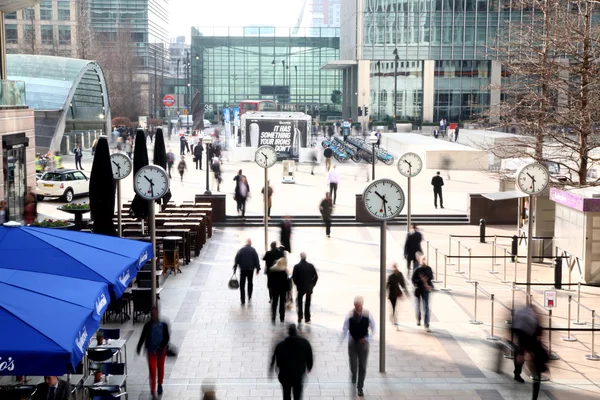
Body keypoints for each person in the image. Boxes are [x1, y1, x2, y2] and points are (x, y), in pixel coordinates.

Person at [341, 296, 376, 397]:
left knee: (362, 366)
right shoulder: (349, 314)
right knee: (353, 364)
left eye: (359, 305)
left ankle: (360, 387)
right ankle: (353, 374)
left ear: (362, 305)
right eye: (356, 305)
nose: (357, 307)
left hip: (363, 344)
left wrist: (367, 339)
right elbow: (345, 327)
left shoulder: (368, 314)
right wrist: (345, 338)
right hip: (352, 343)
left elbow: (373, 327)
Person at [512, 303, 548, 399]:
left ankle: (517, 373)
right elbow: (537, 337)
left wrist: (522, 352)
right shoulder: (535, 319)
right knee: (521, 354)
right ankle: (532, 376)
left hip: (519, 330)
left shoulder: (521, 313)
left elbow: (515, 330)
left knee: (520, 353)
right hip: (524, 334)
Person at [270, 324, 313, 400]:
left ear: (288, 332)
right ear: (296, 331)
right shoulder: (305, 343)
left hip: (285, 375)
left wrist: (273, 370)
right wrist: (309, 367)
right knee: (297, 395)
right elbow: (309, 356)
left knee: (286, 394)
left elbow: (275, 359)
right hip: (298, 374)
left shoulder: (280, 345)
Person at [137, 306, 170, 399]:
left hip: (161, 351)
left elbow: (167, 338)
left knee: (160, 368)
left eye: (155, 313)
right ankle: (153, 390)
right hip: (151, 351)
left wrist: (161, 347)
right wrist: (139, 347)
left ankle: (160, 384)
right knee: (152, 369)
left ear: (158, 313)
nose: (153, 315)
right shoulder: (148, 325)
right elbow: (143, 336)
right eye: (152, 314)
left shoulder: (164, 325)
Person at [292, 252, 318, 325]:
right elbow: (315, 276)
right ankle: (307, 318)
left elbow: (294, 278)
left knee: (299, 301)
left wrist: (297, 284)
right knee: (308, 302)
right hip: (309, 287)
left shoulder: (297, 266)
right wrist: (313, 284)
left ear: (300, 257)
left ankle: (300, 315)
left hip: (300, 287)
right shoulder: (311, 266)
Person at [233, 238, 260, 305]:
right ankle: (249, 295)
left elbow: (237, 258)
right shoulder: (253, 250)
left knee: (242, 284)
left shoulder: (241, 250)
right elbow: (256, 259)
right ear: (250, 243)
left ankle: (242, 299)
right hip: (250, 269)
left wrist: (236, 266)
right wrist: (258, 268)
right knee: (250, 282)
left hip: (243, 269)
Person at [411, 253, 434, 332]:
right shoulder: (417, 269)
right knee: (418, 306)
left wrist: (429, 285)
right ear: (421, 260)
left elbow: (431, 278)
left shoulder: (429, 269)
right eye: (423, 260)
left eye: (425, 260)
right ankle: (418, 318)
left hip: (426, 290)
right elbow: (413, 279)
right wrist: (420, 281)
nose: (424, 261)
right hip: (418, 289)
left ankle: (426, 323)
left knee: (426, 307)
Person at [269, 255, 291, 323]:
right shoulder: (284, 272)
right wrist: (288, 291)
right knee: (282, 303)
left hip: (275, 289)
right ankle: (282, 317)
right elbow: (287, 282)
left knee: (274, 303)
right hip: (283, 290)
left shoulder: (272, 270)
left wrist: (270, 287)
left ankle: (273, 317)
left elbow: (270, 281)